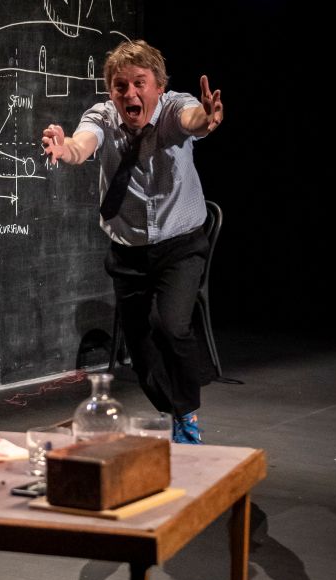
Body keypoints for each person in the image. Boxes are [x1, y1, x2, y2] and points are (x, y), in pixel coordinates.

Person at [42, 39, 223, 443]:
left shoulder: (174, 109)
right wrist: (65, 148)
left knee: (169, 326)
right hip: (128, 252)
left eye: (140, 83)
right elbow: (82, 144)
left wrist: (207, 118)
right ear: (111, 91)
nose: (130, 94)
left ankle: (186, 413)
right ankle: (174, 411)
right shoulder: (102, 117)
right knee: (141, 354)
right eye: (120, 86)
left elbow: (194, 120)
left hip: (180, 245)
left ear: (159, 86)